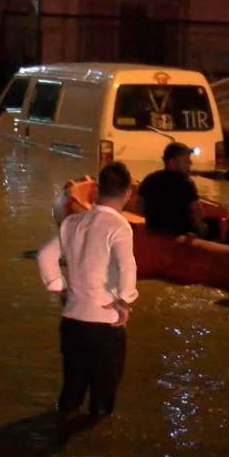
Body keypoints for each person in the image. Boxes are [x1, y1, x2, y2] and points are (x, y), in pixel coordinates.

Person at [37, 162, 138, 417]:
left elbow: (45, 257)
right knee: (102, 403)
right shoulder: (119, 226)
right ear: (128, 193)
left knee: (71, 392)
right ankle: (94, 454)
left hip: (72, 321)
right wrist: (124, 302)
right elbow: (127, 267)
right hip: (105, 325)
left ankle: (59, 436)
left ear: (95, 190)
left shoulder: (72, 223)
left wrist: (59, 288)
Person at [135, 142, 205, 237]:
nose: (190, 163)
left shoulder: (150, 179)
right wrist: (201, 230)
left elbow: (139, 207)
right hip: (179, 235)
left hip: (153, 231)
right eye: (186, 160)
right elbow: (196, 211)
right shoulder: (185, 183)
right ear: (173, 162)